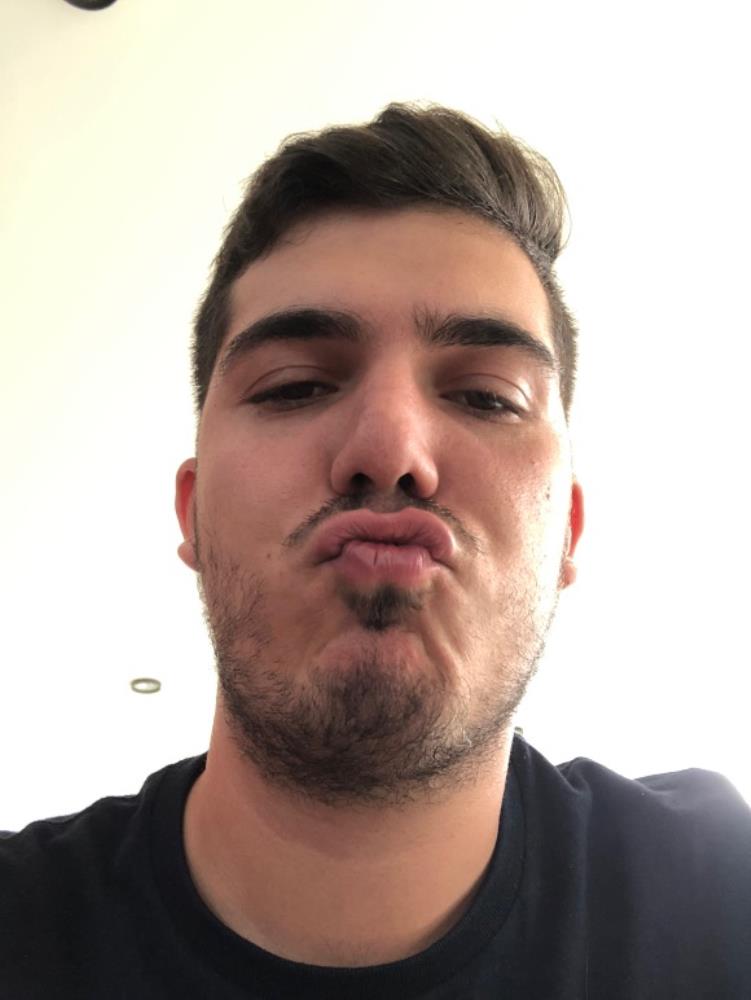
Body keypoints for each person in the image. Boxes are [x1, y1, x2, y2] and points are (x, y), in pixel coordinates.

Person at [1, 102, 749, 999]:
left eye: (486, 397)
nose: (390, 449)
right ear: (192, 516)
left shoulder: (717, 893)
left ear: (568, 533)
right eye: (295, 385)